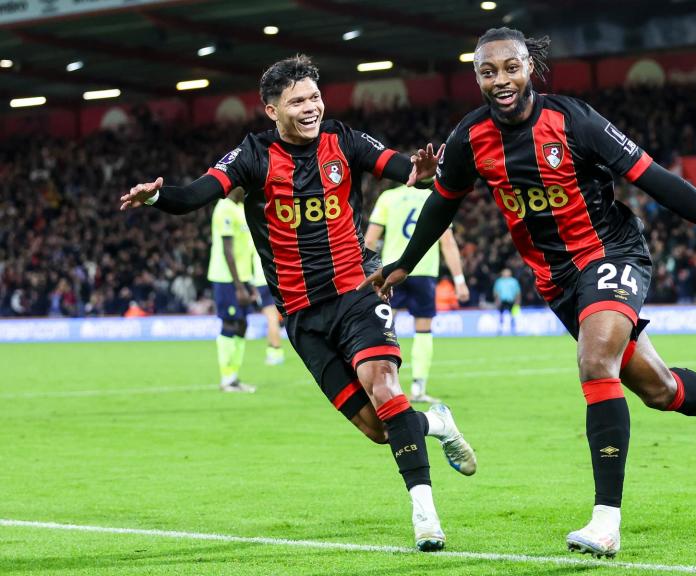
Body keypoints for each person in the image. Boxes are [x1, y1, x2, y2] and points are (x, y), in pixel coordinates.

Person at [362, 28, 696, 558]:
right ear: (477, 77)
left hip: (613, 254)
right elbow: (443, 202)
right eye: (488, 71)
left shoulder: (574, 120)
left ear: (531, 67)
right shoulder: (469, 137)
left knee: (596, 362)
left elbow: (659, 181)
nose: (501, 80)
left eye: (511, 67)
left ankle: (605, 521)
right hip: (557, 282)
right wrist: (404, 264)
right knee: (659, 389)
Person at [120, 55, 476, 552]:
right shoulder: (251, 155)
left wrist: (420, 170)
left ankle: (426, 516)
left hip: (357, 291)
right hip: (303, 318)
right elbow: (195, 195)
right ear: (272, 110)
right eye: (297, 101)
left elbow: (400, 167)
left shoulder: (342, 139)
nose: (311, 108)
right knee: (379, 429)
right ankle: (436, 422)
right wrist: (158, 197)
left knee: (385, 387)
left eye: (314, 97)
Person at [365, 184, 470, 403]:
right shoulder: (437, 197)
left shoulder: (388, 197)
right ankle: (419, 388)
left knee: (382, 329)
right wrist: (459, 281)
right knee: (423, 330)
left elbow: (370, 240)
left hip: (391, 271)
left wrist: (367, 273)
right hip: (423, 271)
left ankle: (381, 386)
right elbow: (448, 242)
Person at [208, 187, 257, 392]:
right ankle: (227, 379)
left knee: (242, 324)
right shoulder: (224, 208)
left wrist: (249, 283)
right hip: (226, 278)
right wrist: (238, 286)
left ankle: (234, 376)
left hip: (242, 277)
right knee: (229, 324)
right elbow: (227, 249)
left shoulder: (240, 208)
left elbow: (245, 248)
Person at [248, 214, 285, 366]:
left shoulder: (253, 235)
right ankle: (272, 351)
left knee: (271, 318)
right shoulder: (271, 233)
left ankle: (276, 351)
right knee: (272, 317)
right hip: (271, 277)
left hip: (262, 279)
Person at [492, 268, 521, 335]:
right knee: (501, 315)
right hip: (502, 301)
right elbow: (496, 292)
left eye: (507, 272)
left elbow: (518, 292)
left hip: (511, 301)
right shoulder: (499, 281)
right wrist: (497, 300)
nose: (506, 274)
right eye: (504, 272)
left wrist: (517, 301)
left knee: (513, 315)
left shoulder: (514, 281)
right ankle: (500, 329)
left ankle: (513, 329)